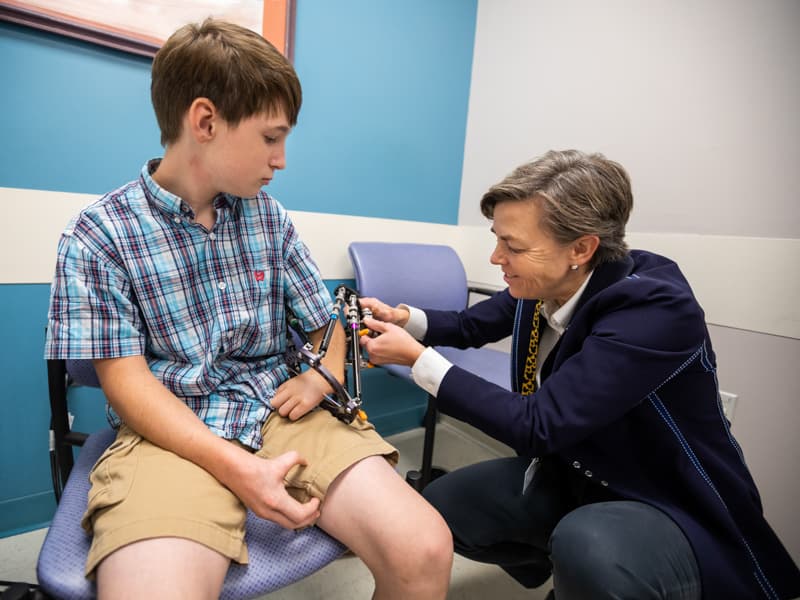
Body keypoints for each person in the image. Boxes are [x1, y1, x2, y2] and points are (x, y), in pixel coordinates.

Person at [44, 18, 452, 599]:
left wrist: (322, 373)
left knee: (425, 549)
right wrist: (234, 467)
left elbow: (324, 324)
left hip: (281, 411)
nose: (281, 159)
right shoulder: (98, 235)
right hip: (171, 430)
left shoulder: (269, 218)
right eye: (270, 138)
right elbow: (127, 387)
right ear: (205, 121)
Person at [359, 149, 800, 599]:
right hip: (577, 474)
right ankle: (566, 570)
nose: (496, 257)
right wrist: (404, 319)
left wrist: (416, 360)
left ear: (581, 248)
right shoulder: (546, 282)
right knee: (441, 508)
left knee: (588, 547)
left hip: (663, 497)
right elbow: (473, 325)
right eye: (497, 238)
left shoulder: (654, 308)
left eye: (513, 246)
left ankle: (602, 573)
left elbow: (537, 425)